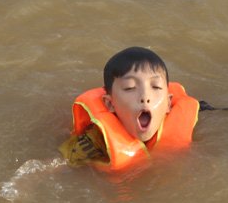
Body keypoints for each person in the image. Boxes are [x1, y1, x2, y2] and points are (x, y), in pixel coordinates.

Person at [59, 47, 200, 170]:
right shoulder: (95, 141)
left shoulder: (187, 121)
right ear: (110, 103)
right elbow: (53, 165)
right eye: (130, 88)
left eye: (155, 86)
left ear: (168, 103)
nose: (145, 96)